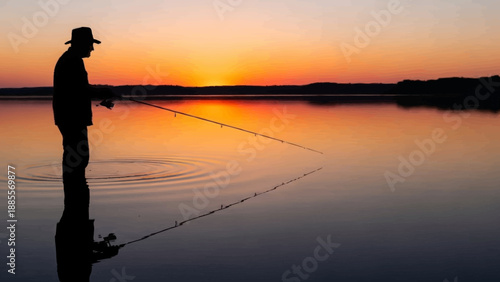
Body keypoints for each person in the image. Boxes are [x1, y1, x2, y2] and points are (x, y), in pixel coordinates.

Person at [53, 27, 118, 206]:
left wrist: (103, 91)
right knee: (77, 158)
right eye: (90, 44)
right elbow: (80, 90)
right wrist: (106, 90)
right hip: (72, 117)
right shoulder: (72, 61)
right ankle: (76, 209)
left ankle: (75, 207)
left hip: (69, 117)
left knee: (76, 157)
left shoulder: (70, 60)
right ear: (81, 44)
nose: (92, 49)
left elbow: (81, 88)